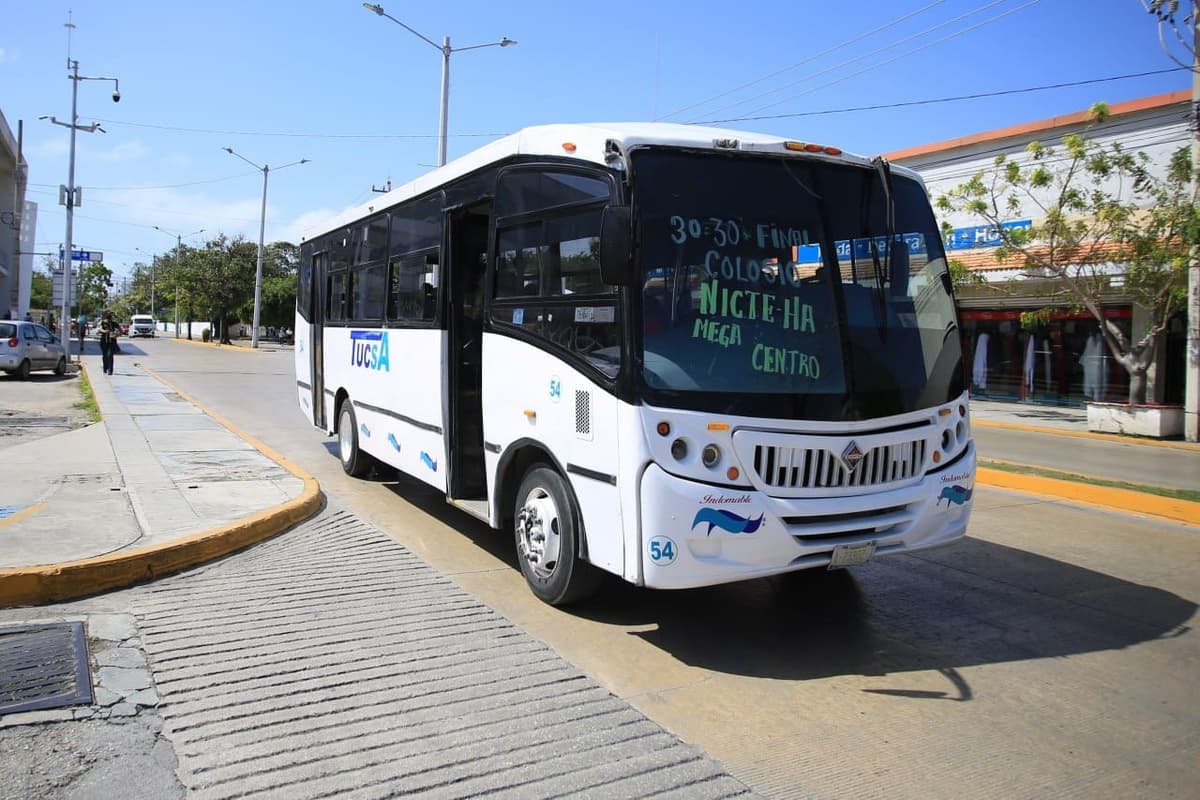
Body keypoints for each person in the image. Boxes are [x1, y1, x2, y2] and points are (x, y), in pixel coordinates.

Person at [98, 310, 119, 375]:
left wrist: (116, 334)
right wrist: (105, 331)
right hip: (104, 341)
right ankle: (105, 368)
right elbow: (99, 329)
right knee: (105, 356)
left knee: (110, 355)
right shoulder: (102, 322)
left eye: (111, 316)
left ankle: (110, 370)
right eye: (109, 316)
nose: (110, 318)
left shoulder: (114, 323)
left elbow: (119, 330)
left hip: (112, 341)